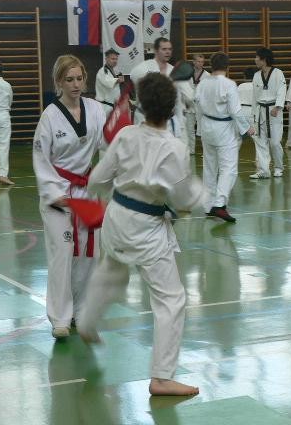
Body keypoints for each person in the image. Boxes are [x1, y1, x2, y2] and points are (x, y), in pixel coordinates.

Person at [78, 72, 204, 396]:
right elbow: (183, 197)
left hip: (117, 217)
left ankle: (88, 322)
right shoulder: (174, 148)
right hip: (147, 228)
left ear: (141, 106)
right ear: (173, 109)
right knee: (171, 299)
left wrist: (106, 195)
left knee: (110, 271)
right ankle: (162, 377)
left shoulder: (125, 136)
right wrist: (205, 199)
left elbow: (96, 179)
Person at [32, 55, 109, 339]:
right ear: (58, 83)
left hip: (87, 191)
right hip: (59, 194)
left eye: (79, 79)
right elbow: (41, 160)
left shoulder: (96, 109)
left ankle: (82, 310)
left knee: (90, 254)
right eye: (69, 80)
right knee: (62, 254)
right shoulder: (49, 117)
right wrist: (56, 194)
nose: (76, 85)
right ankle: (60, 318)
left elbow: (107, 144)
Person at [195, 52, 255, 222]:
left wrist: (199, 129)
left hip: (207, 126)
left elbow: (197, 104)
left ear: (211, 66)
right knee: (229, 168)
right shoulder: (228, 84)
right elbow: (236, 110)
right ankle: (220, 205)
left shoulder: (203, 83)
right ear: (227, 67)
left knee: (209, 167)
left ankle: (208, 206)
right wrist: (246, 128)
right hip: (223, 128)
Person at [250, 48, 286, 179]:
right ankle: (264, 170)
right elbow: (254, 97)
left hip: (273, 111)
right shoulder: (256, 76)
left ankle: (278, 167)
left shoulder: (278, 73)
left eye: (257, 57)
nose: (255, 60)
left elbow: (282, 90)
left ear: (264, 59)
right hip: (260, 111)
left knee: (275, 142)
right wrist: (253, 116)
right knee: (260, 142)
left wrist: (278, 107)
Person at [129, 37, 174, 127]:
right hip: (144, 116)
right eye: (164, 49)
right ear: (156, 51)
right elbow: (133, 78)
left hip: (165, 119)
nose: (168, 52)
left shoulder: (172, 70)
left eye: (170, 49)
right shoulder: (143, 68)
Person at [186, 54, 210, 154]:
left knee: (202, 129)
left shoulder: (207, 75)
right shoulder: (187, 74)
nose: (200, 64)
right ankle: (190, 150)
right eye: (198, 61)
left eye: (202, 62)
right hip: (189, 104)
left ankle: (207, 150)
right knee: (189, 129)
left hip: (201, 105)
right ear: (194, 62)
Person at [95, 48, 124, 116]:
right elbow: (108, 83)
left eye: (116, 59)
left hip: (113, 106)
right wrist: (118, 80)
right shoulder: (102, 71)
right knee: (103, 126)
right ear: (106, 59)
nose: (115, 61)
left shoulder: (114, 71)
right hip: (104, 106)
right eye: (112, 59)